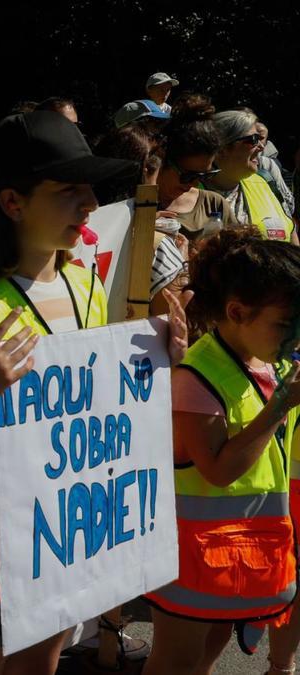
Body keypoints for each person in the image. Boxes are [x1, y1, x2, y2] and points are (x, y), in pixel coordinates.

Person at [0, 110, 189, 673]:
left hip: (62, 545)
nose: (90, 205)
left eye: (90, 190)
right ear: (13, 203)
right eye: (69, 190)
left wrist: (159, 364)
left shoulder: (84, 284)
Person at [142, 227, 300, 675]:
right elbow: (218, 470)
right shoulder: (197, 378)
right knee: (177, 660)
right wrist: (280, 406)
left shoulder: (266, 360)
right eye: (285, 325)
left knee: (208, 648)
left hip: (235, 553)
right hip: (191, 558)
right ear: (236, 311)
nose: (293, 337)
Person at [204, 110, 295, 243]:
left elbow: (292, 234)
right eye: (252, 140)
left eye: (259, 139)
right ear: (221, 148)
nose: (261, 146)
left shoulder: (265, 182)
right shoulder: (186, 191)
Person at [157, 117, 235, 241]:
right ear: (161, 160)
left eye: (204, 175)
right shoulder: (132, 204)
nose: (195, 184)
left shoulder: (214, 204)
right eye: (188, 175)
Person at [254, 119, 295, 217]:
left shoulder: (268, 164)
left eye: (261, 138)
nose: (258, 144)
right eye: (253, 138)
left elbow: (288, 204)